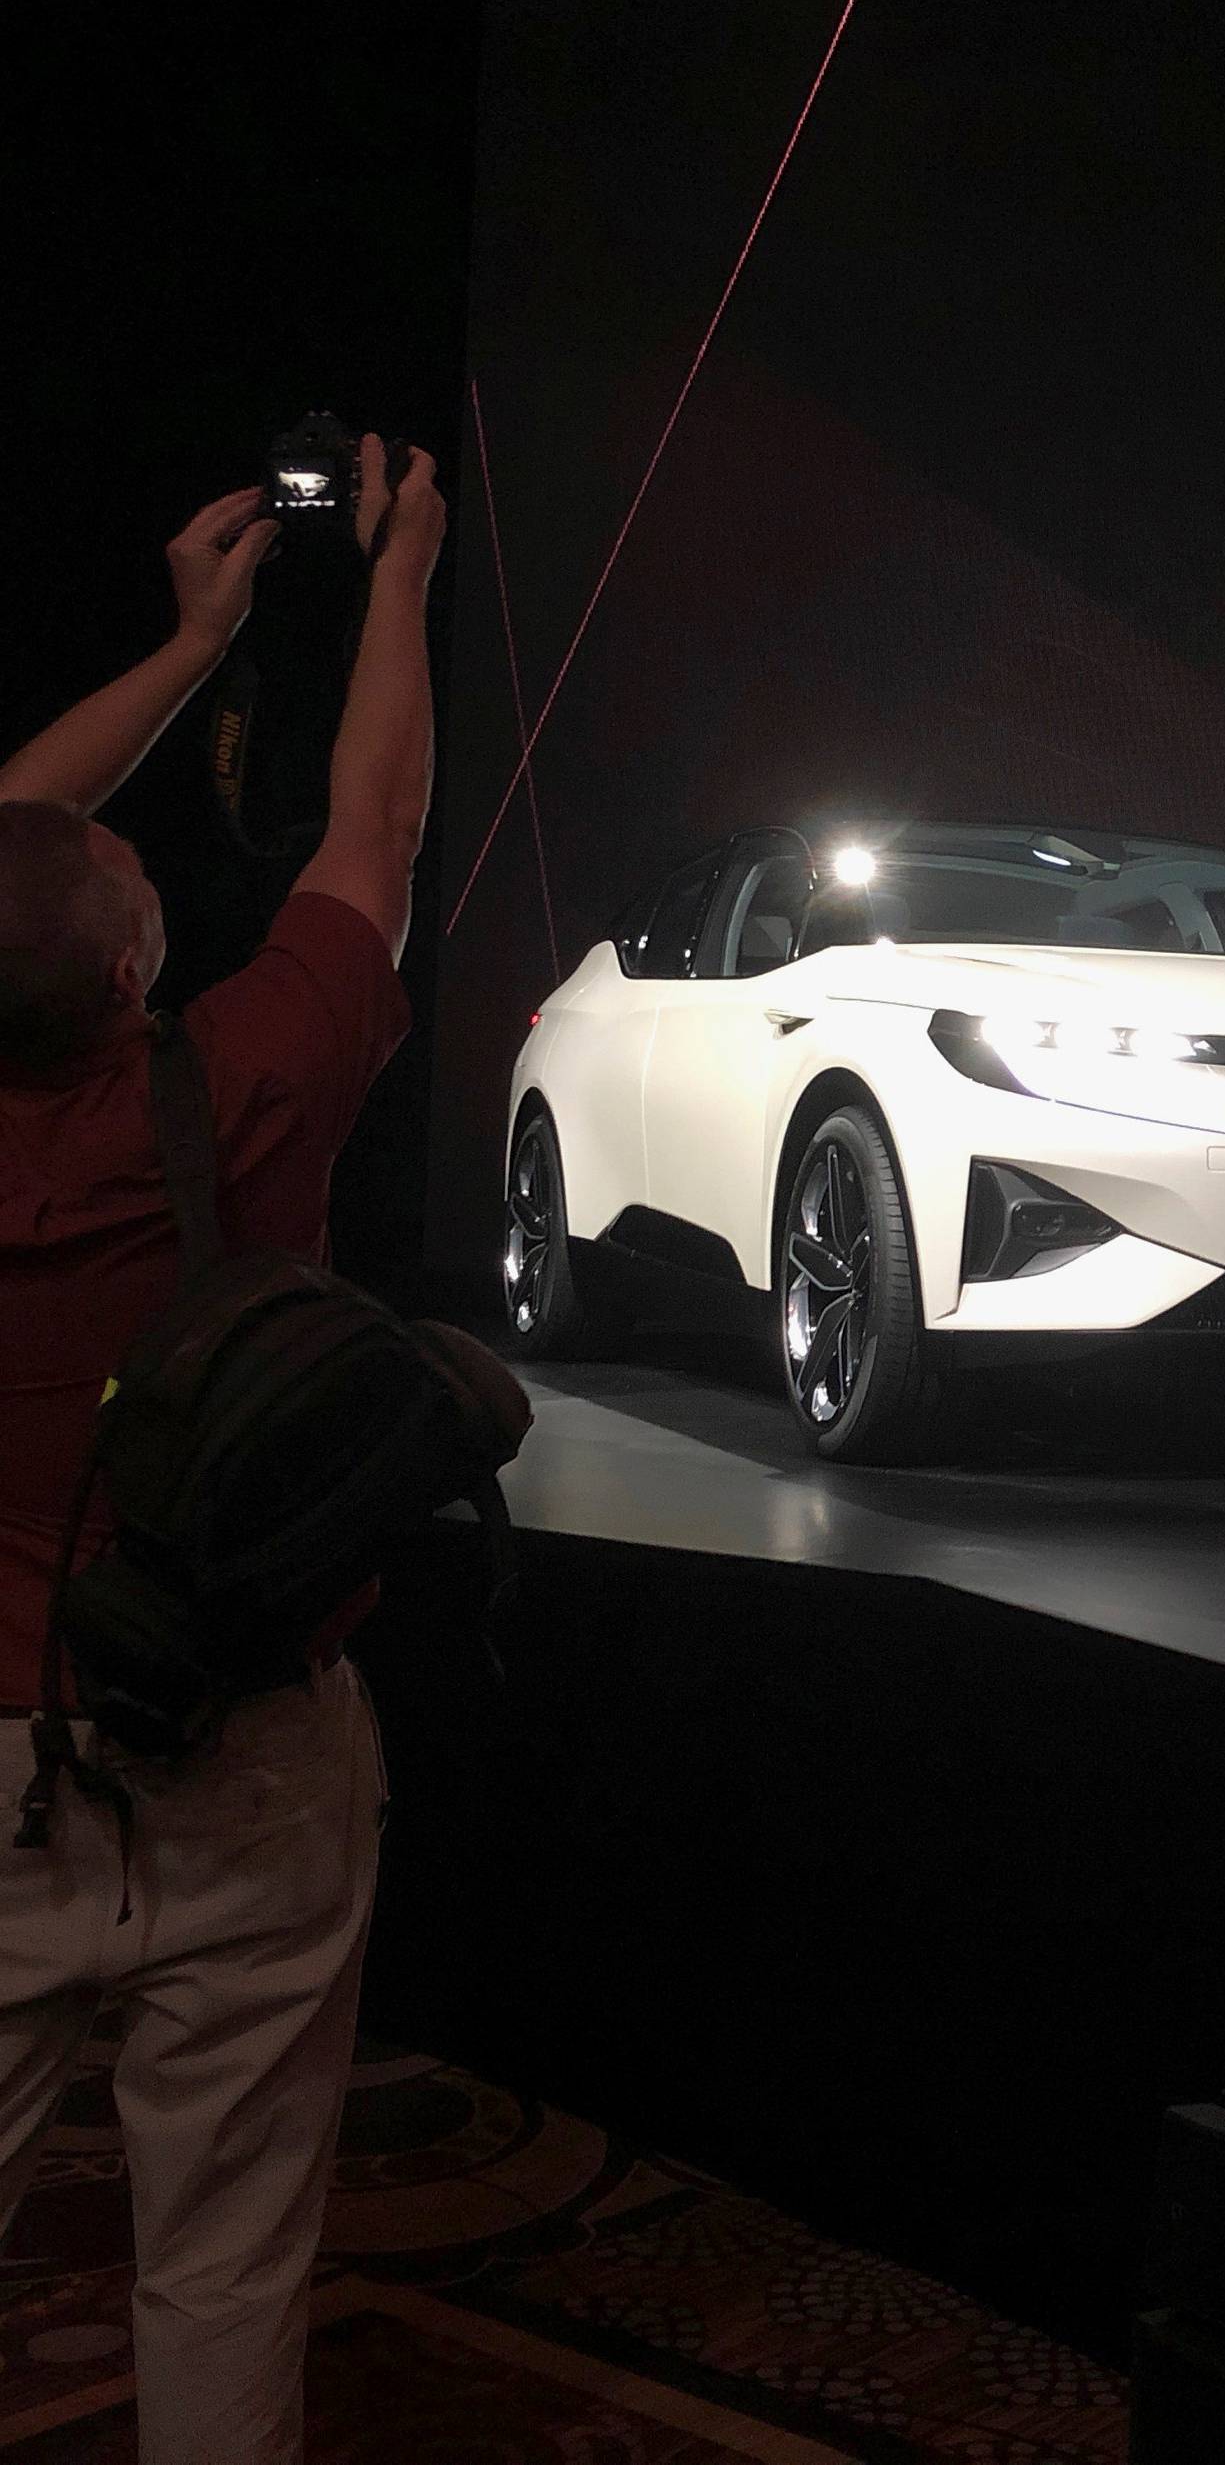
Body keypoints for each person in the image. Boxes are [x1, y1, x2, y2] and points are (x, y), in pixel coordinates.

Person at [0, 438, 445, 2464]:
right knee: (224, 2272)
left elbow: (10, 826)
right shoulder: (248, 1078)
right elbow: (377, 815)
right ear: (125, 970)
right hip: (245, 1750)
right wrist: (400, 574)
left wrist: (192, 641)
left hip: (0, 1759)